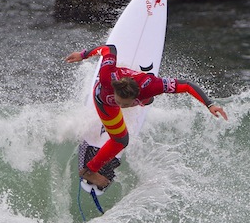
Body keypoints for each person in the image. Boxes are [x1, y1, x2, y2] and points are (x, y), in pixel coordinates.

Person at [65, 44, 228, 189]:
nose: (122, 107)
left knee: (149, 100)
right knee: (121, 140)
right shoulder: (107, 76)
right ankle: (89, 170)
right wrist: (84, 55)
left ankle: (141, 101)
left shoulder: (150, 85)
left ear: (136, 95)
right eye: (120, 102)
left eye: (126, 104)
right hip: (103, 101)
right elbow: (110, 49)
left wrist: (209, 104)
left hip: (142, 93)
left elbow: (186, 85)